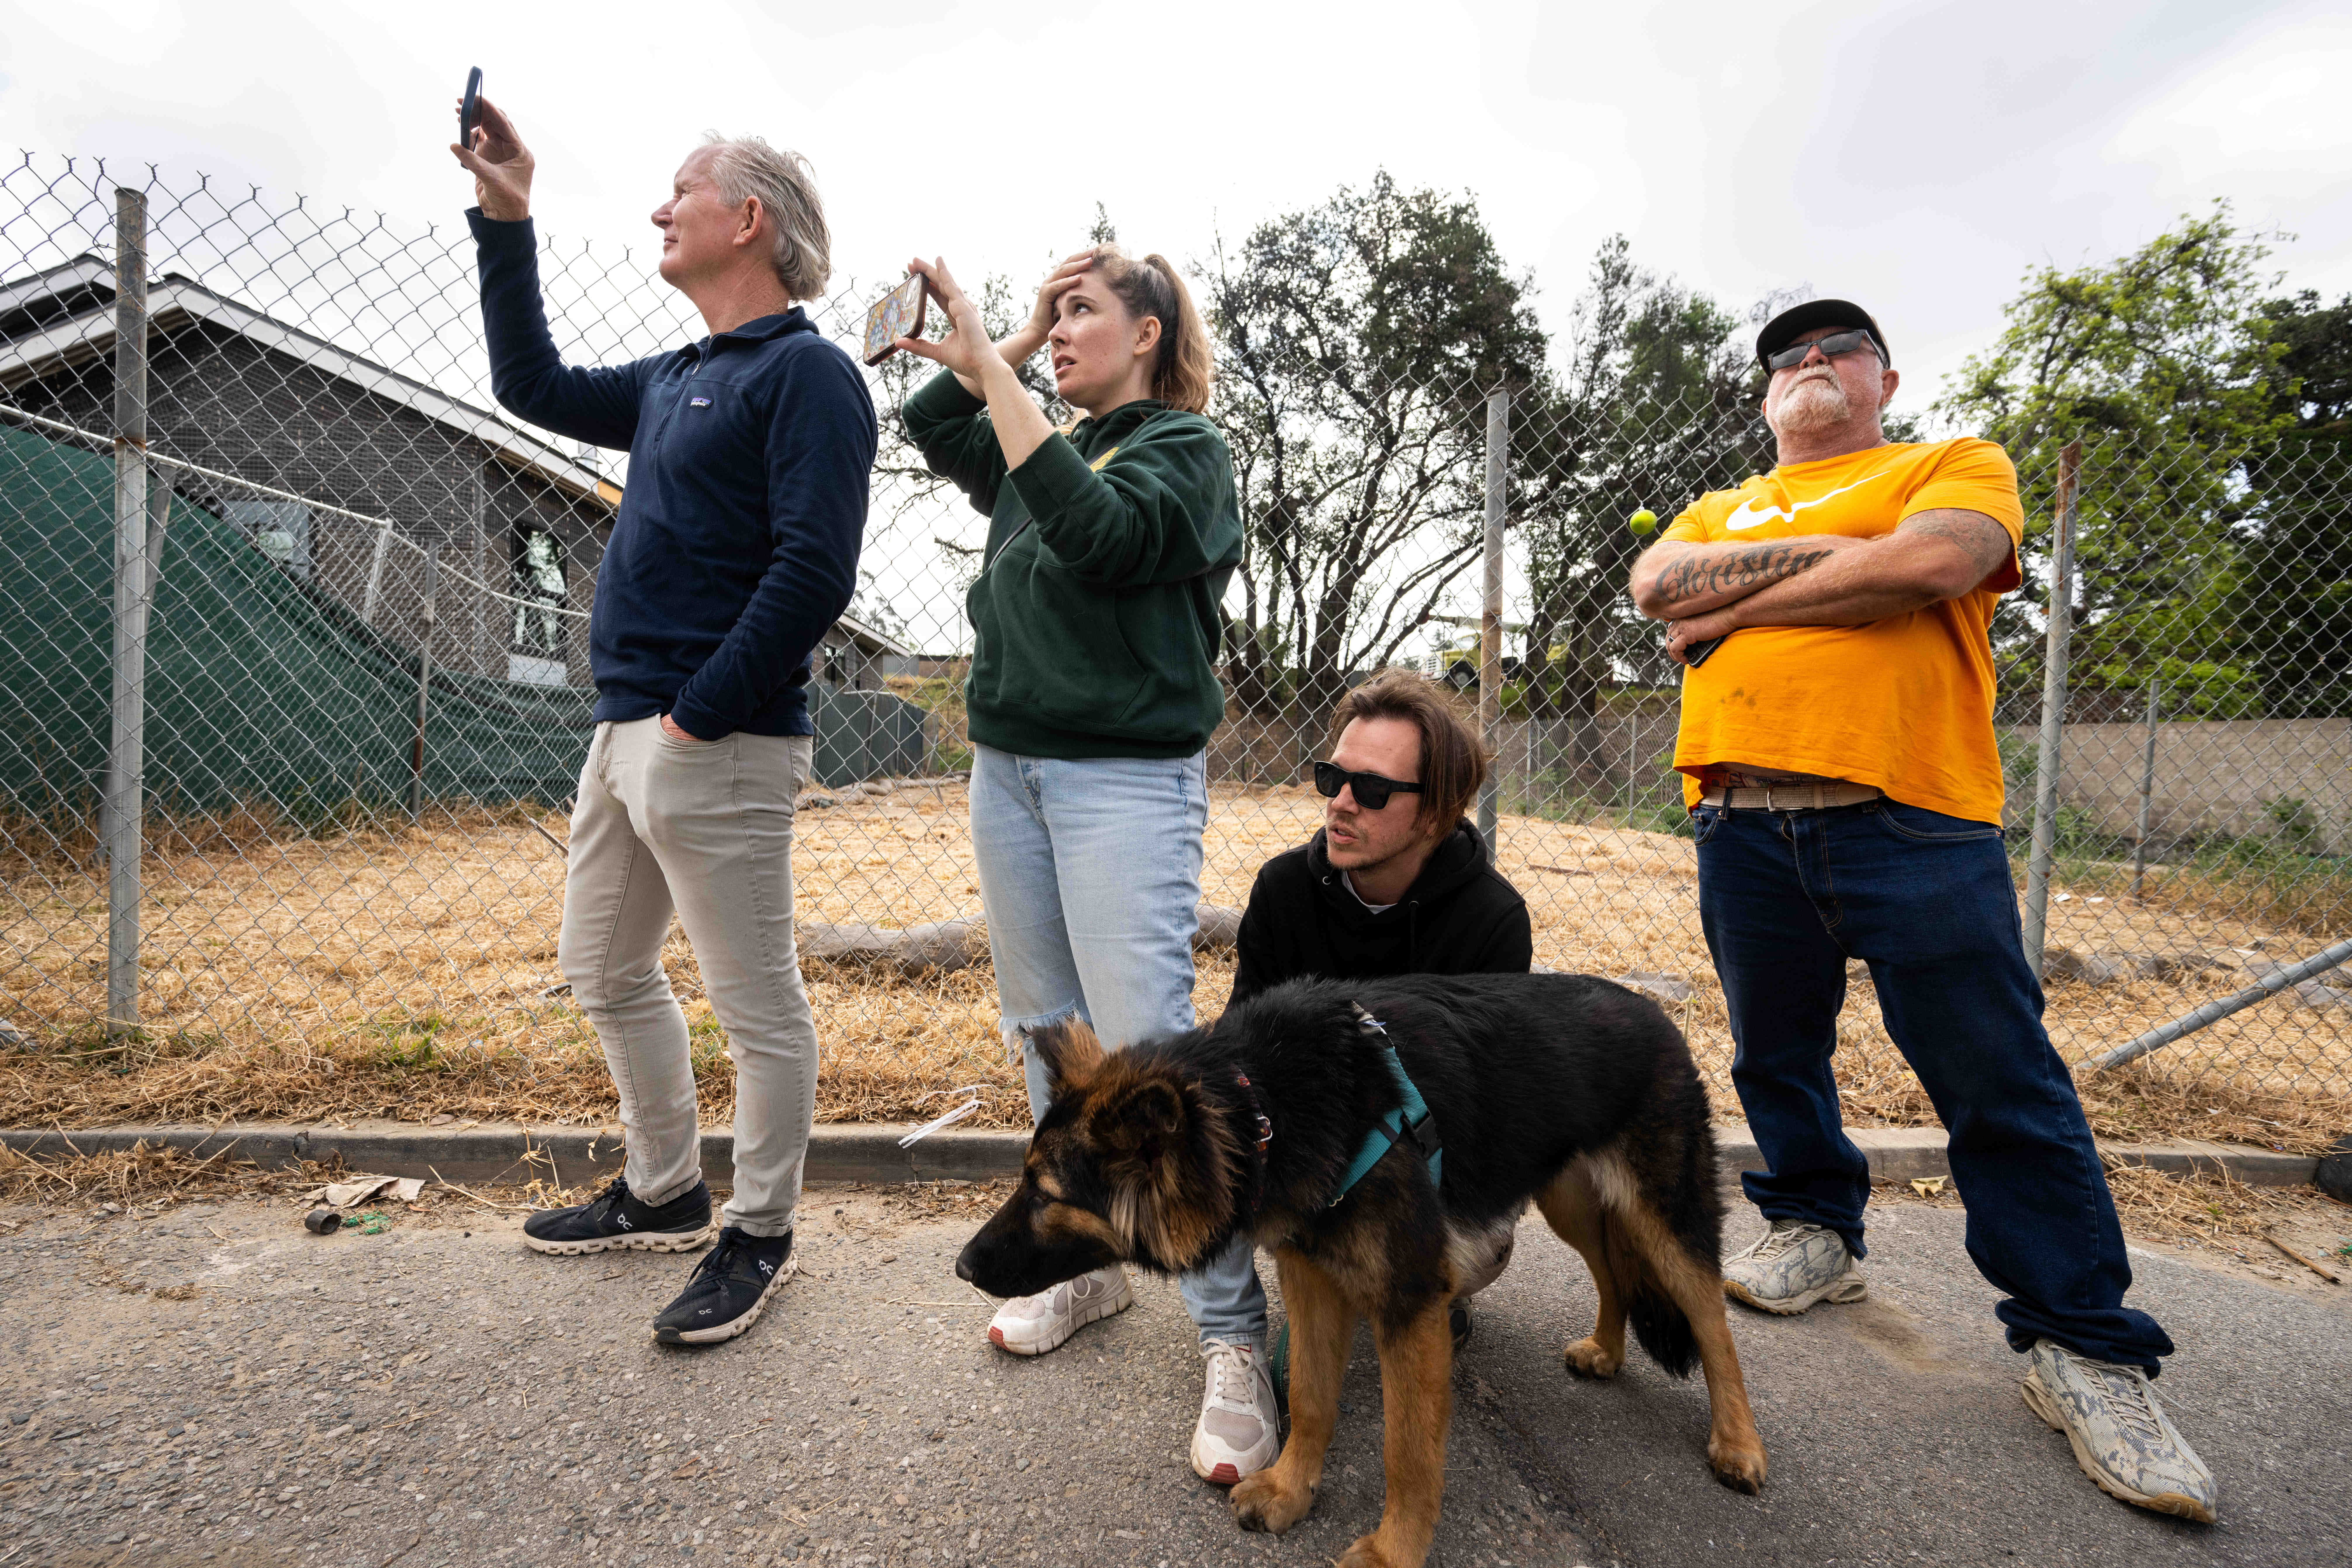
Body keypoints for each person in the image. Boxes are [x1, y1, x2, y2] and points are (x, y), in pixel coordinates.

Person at [1627, 299, 2217, 1522]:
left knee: (1997, 1082)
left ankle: (2082, 1346)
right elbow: (1656, 584)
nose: (1806, 365)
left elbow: (1936, 561)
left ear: (1882, 378)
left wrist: (1730, 609)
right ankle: (1812, 1231)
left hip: (1910, 816)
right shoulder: (1715, 505)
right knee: (1771, 1053)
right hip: (1740, 819)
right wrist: (1836, 575)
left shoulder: (1949, 467)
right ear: (1760, 400)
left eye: (1834, 349)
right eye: (1783, 357)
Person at [452, 102, 877, 1345]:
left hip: (717, 738)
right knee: (604, 966)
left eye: (680, 191)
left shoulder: (808, 375)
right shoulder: (680, 376)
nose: (658, 209)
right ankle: (664, 1189)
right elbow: (526, 382)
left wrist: (696, 716)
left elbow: (813, 573)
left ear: (747, 221)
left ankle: (759, 1232)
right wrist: (506, 216)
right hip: (623, 730)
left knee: (756, 1005)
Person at [896, 246, 1269, 1483]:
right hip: (1008, 768)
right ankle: (1084, 1268)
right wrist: (997, 341)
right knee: (1046, 1035)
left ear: (1151, 336)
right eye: (1052, 316)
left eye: (1082, 315)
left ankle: (1230, 1333)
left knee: (1150, 1049)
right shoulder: (1037, 428)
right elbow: (931, 409)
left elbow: (1100, 538)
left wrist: (1016, 395)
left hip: (1119, 779)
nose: (1058, 335)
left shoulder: (1182, 454)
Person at [1229, 668, 1533, 1346]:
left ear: (1436, 811)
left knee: (1475, 1242)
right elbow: (1238, 1054)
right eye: (1331, 778)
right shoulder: (1282, 891)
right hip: (1306, 1156)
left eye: (1370, 790)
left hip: (1426, 1171)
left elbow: (1483, 1112)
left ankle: (1420, 1286)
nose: (1340, 803)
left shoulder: (1492, 919)